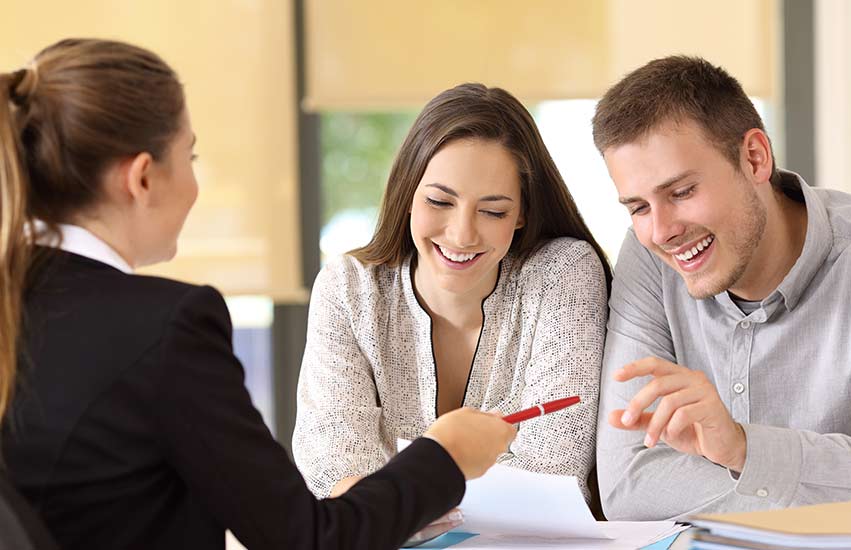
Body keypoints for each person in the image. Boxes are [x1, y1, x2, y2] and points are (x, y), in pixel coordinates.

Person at [0, 38, 517, 550]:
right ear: (141, 177)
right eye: (190, 155)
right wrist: (443, 454)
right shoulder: (163, 328)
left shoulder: (18, 303)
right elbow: (307, 540)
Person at [591, 55, 851, 520]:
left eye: (681, 192)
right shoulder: (651, 259)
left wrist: (743, 451)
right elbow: (629, 486)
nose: (662, 231)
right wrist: (837, 489)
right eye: (638, 207)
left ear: (755, 158)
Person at [293, 83, 612, 513]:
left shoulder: (562, 273)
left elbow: (554, 471)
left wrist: (404, 494)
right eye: (440, 201)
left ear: (523, 214)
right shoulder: (348, 290)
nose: (462, 234)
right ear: (407, 196)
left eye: (493, 211)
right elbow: (338, 477)